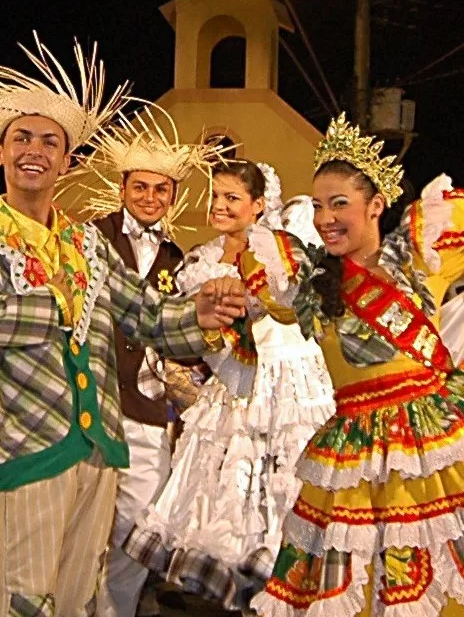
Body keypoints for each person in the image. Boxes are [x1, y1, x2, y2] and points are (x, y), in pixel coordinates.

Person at [0, 35, 247, 616]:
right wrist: (47, 310)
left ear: (67, 160)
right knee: (26, 600)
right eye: (22, 137)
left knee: (77, 599)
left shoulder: (88, 247)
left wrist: (201, 313)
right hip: (27, 448)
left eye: (51, 141)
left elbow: (146, 315)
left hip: (98, 450)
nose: (35, 150)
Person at [244, 114, 464, 616]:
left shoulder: (417, 255)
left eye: (339, 203)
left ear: (377, 205)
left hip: (427, 446)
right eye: (318, 205)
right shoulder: (307, 280)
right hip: (355, 458)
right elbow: (249, 288)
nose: (325, 218)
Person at [125, 160, 334, 611]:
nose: (219, 206)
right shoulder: (199, 261)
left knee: (281, 490)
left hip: (287, 387)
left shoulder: (282, 250)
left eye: (232, 198)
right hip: (231, 392)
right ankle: (236, 591)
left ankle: (288, 587)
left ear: (259, 206)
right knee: (228, 497)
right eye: (215, 196)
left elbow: (302, 310)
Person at [60, 105, 226, 617]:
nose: (150, 198)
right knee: (78, 526)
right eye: (141, 188)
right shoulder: (86, 241)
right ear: (122, 188)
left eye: (161, 190)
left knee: (137, 530)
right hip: (86, 405)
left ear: (172, 196)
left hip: (150, 413)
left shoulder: (183, 261)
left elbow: (182, 337)